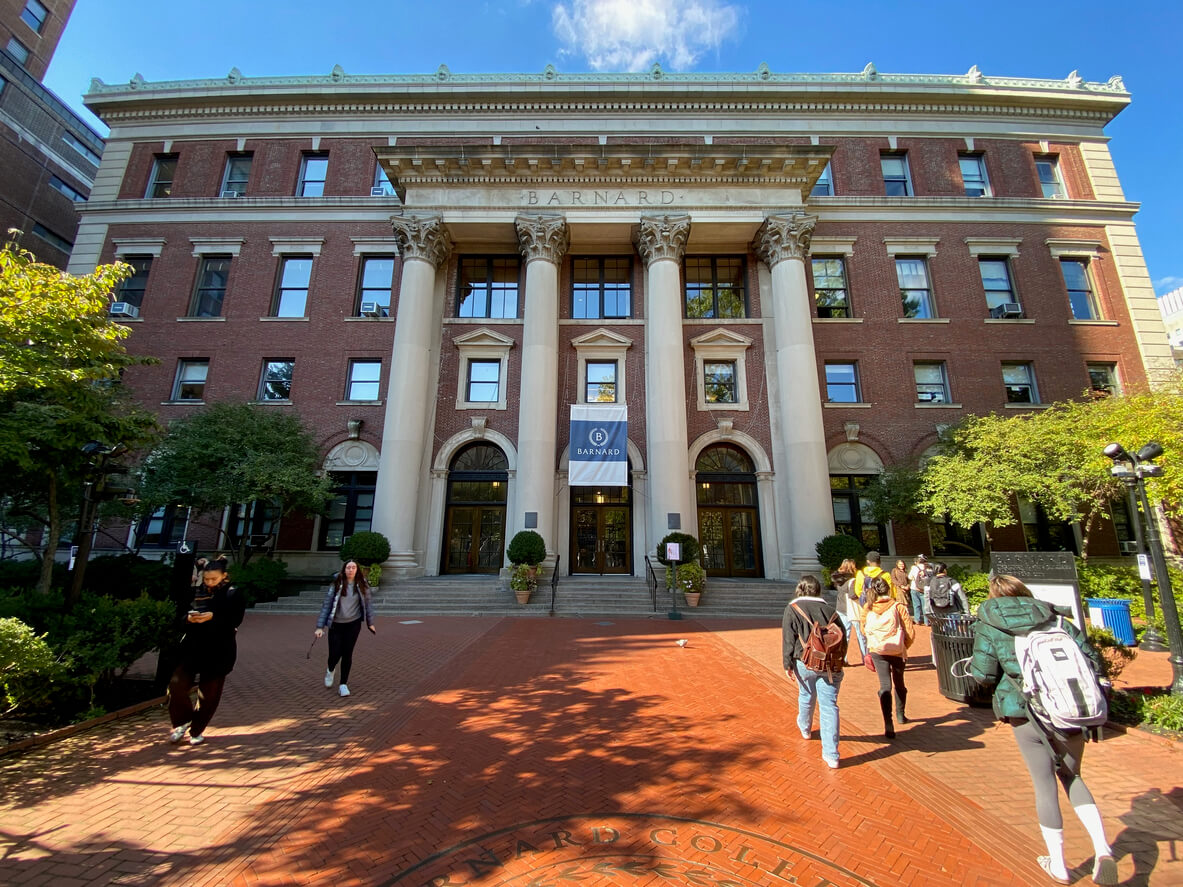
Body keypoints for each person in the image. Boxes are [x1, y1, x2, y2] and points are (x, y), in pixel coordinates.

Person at [970, 574, 1117, 886]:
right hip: (1070, 710)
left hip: (1026, 712)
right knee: (1073, 776)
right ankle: (1103, 849)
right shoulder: (1056, 618)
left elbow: (984, 674)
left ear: (993, 595)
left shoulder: (990, 621)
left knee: (1044, 782)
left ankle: (1059, 864)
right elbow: (1093, 659)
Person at [167, 556, 246, 745]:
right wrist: (188, 619)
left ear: (224, 576)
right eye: (207, 578)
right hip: (193, 648)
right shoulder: (193, 593)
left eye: (214, 579)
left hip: (219, 650)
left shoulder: (232, 594)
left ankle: (197, 730)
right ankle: (182, 720)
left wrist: (213, 617)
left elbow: (235, 620)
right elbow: (178, 617)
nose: (209, 583)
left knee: (209, 695)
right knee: (175, 686)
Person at [782, 574, 847, 769]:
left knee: (806, 695)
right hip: (830, 664)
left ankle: (805, 728)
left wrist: (787, 664)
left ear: (800, 589)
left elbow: (788, 639)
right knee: (829, 706)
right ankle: (832, 754)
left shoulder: (793, 608)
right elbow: (843, 638)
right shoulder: (830, 610)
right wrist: (839, 659)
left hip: (805, 661)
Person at [861, 575, 915, 738]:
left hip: (877, 650)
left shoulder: (868, 607)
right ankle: (901, 714)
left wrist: (875, 642)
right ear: (888, 589)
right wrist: (903, 646)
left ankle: (888, 723)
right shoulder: (898, 606)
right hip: (897, 650)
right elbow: (910, 631)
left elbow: (863, 629)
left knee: (885, 686)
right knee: (900, 684)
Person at [315, 560, 376, 697]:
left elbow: (368, 606)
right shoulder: (337, 585)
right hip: (336, 624)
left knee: (347, 653)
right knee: (334, 653)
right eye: (348, 567)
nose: (351, 570)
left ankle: (343, 684)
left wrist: (370, 623)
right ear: (344, 569)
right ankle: (330, 669)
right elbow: (327, 606)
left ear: (357, 570)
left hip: (353, 624)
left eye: (353, 567)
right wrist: (320, 627)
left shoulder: (362, 585)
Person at [832, 558, 865, 665]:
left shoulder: (838, 580)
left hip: (841, 608)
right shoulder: (852, 580)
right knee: (861, 634)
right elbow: (852, 595)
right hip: (853, 609)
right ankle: (865, 657)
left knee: (844, 634)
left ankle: (843, 658)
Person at [907, 555, 930, 625]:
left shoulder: (914, 568)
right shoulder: (928, 568)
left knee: (916, 605)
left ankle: (917, 620)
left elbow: (909, 577)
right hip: (924, 589)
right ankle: (927, 621)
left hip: (914, 588)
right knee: (925, 605)